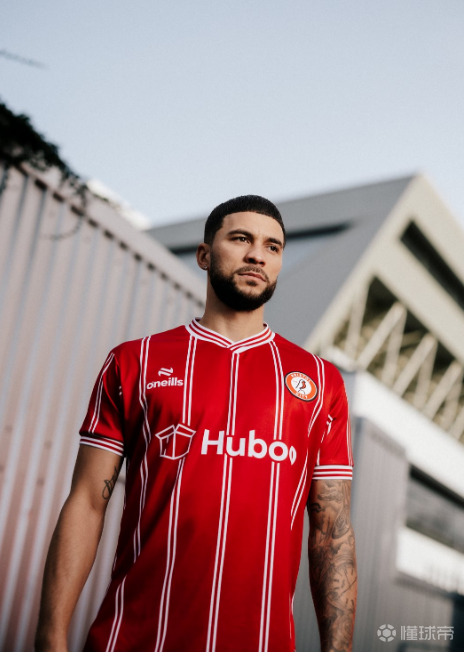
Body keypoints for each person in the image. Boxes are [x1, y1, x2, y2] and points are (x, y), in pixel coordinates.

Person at [36, 195, 357, 652]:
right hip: (133, 639)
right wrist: (50, 636)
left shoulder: (321, 382)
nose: (257, 255)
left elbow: (332, 528)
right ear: (204, 255)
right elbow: (87, 502)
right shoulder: (135, 362)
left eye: (273, 247)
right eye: (241, 239)